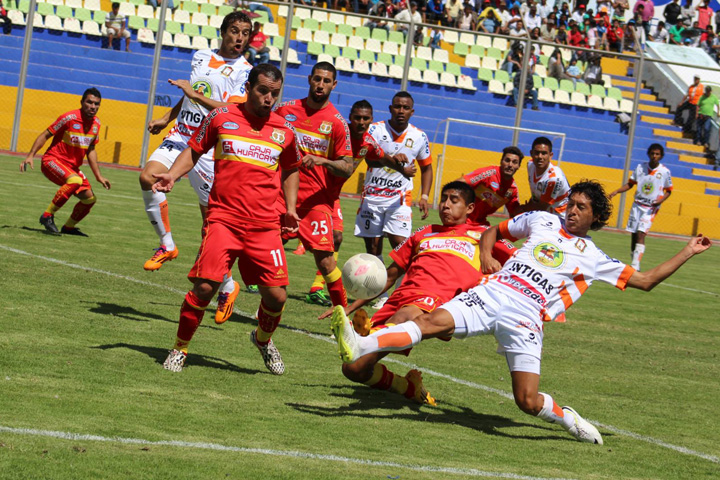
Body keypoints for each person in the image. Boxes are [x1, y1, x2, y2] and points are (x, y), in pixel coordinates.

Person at [331, 180, 712, 444]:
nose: (571, 211)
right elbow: (493, 232)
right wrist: (485, 257)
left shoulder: (595, 257)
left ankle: (569, 419)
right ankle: (361, 344)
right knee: (429, 322)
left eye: (580, 207)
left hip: (526, 317)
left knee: (527, 402)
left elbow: (645, 280)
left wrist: (688, 251)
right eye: (570, 203)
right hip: (494, 293)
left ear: (595, 217)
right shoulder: (542, 219)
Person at [154, 64, 301, 375]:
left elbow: (290, 169)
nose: (269, 98)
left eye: (275, 93)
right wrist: (172, 175)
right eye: (263, 91)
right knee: (205, 288)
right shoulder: (221, 117)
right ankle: (180, 348)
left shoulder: (285, 131)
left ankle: (262, 340)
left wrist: (290, 208)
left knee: (276, 297)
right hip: (224, 219)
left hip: (265, 226)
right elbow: (194, 151)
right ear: (248, 88)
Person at [321, 182, 517, 405]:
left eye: (454, 201)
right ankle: (408, 387)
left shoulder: (483, 235)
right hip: (400, 299)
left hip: (436, 301)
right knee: (354, 369)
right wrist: (351, 307)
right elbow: (390, 276)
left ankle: (363, 335)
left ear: (470, 208)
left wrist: (497, 268)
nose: (445, 205)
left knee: (406, 317)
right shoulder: (424, 232)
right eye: (443, 199)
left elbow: (522, 261)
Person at [139, 12, 253, 324]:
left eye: (245, 33)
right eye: (234, 31)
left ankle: (228, 287)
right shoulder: (201, 56)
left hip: (208, 147)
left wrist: (195, 95)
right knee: (147, 177)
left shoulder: (245, 71)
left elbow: (232, 110)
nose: (239, 37)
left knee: (211, 227)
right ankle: (167, 245)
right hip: (181, 135)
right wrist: (168, 117)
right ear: (223, 31)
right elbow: (189, 97)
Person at [303, 101, 414, 306]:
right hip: (312, 191)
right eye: (357, 118)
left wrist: (403, 170)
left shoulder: (367, 142)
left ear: (371, 120)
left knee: (336, 238)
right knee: (284, 234)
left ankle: (317, 288)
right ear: (350, 117)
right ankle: (257, 276)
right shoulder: (338, 133)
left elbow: (383, 158)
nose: (361, 122)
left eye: (366, 119)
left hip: (332, 196)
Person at [275, 62, 354, 310]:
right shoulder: (285, 110)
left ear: (334, 85)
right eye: (317, 79)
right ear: (309, 79)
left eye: (326, 81)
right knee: (264, 249)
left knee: (326, 261)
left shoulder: (337, 123)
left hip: (315, 201)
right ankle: (267, 308)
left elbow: (348, 166)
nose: (321, 85)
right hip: (280, 195)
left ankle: (342, 315)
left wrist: (323, 161)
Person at [354, 91, 433, 310]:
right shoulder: (375, 130)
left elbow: (427, 167)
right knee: (373, 249)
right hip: (372, 197)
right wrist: (394, 163)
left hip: (399, 200)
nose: (401, 111)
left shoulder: (419, 136)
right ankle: (381, 295)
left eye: (405, 108)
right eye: (397, 106)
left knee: (403, 248)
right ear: (390, 108)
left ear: (412, 111)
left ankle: (400, 295)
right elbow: (368, 158)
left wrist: (424, 196)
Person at [20, 88, 111, 236]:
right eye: (89, 102)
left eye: (96, 104)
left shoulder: (96, 124)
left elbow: (91, 150)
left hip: (72, 168)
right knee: (75, 180)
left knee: (89, 199)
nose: (93, 106)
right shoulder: (68, 118)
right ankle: (47, 215)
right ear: (81, 102)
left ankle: (68, 227)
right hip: (52, 160)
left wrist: (98, 176)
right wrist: (31, 155)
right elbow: (45, 135)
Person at [609, 144, 673, 271]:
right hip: (637, 205)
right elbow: (630, 184)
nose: (654, 156)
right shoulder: (640, 168)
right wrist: (617, 191)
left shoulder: (664, 172)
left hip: (650, 208)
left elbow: (669, 190)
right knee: (634, 234)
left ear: (661, 156)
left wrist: (660, 200)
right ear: (648, 154)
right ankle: (634, 258)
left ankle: (635, 266)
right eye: (652, 153)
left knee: (641, 233)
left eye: (657, 154)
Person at [458, 146, 523, 225]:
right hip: (462, 217)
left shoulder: (512, 190)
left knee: (494, 233)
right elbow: (458, 183)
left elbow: (515, 215)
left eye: (514, 162)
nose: (510, 164)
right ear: (501, 161)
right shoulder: (488, 173)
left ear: (518, 166)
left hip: (479, 222)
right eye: (507, 160)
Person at [526, 136, 570, 218]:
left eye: (544, 153)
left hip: (560, 216)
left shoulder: (554, 178)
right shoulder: (530, 165)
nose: (540, 157)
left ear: (550, 155)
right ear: (531, 153)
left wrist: (523, 210)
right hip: (544, 212)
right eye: (537, 153)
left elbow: (541, 208)